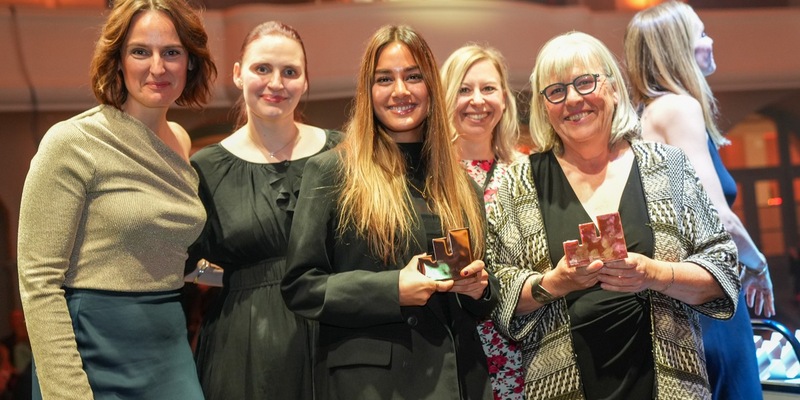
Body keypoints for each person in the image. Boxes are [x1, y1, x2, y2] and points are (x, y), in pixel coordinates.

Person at [484, 31, 741, 399]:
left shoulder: (668, 166)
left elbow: (724, 271)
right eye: (555, 91)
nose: (573, 99)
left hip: (670, 385)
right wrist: (556, 282)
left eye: (585, 82)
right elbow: (498, 292)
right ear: (544, 107)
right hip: (564, 388)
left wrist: (654, 273)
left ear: (614, 88)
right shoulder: (519, 184)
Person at [281, 25, 498, 400]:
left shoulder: (463, 187)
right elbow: (302, 287)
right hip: (372, 385)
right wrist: (392, 288)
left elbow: (480, 296)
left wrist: (479, 288)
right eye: (385, 79)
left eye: (413, 76)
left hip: (459, 378)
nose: (400, 91)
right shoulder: (332, 172)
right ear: (368, 91)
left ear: (431, 86)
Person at [16, 0, 216, 397]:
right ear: (118, 60)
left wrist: (236, 278)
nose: (157, 67)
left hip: (168, 343)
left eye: (172, 52)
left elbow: (175, 260)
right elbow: (38, 280)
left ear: (190, 63)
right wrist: (65, 391)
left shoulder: (182, 141)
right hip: (92, 348)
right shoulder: (72, 142)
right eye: (140, 51)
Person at [186, 20, 341, 400]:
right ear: (238, 75)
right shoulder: (205, 168)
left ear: (305, 82)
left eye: (290, 72)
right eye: (262, 69)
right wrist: (234, 278)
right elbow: (189, 266)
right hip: (243, 346)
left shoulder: (343, 153)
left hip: (336, 336)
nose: (276, 83)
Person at [624, 2, 772, 398]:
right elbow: (718, 218)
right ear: (679, 49)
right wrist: (759, 264)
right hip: (707, 298)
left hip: (681, 302)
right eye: (702, 34)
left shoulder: (646, 113)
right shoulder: (678, 108)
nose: (710, 42)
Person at [440, 44, 525, 400]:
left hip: (524, 347)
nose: (478, 100)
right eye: (464, 89)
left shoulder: (527, 172)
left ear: (504, 98)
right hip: (455, 349)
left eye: (488, 88)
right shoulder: (429, 180)